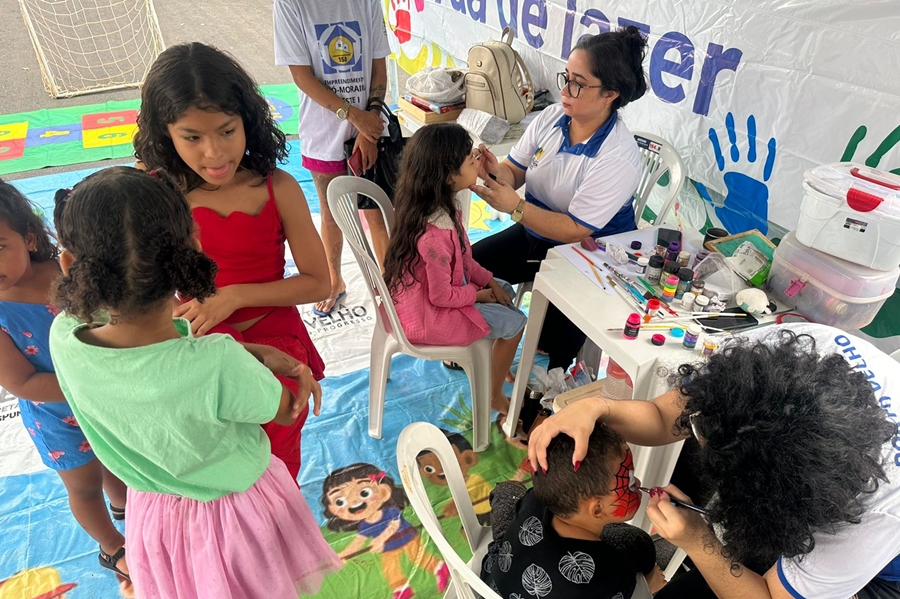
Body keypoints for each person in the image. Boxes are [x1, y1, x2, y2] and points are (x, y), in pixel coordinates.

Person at [49, 167, 341, 598]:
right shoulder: (216, 361)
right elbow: (285, 406)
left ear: (70, 263)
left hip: (153, 515)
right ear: (195, 248)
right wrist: (295, 372)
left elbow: (154, 365)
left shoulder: (65, 338)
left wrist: (251, 352)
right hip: (239, 518)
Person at [527, 323, 900, 599]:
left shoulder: (874, 520)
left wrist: (698, 541)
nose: (694, 441)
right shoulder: (786, 358)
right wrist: (598, 406)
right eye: (698, 426)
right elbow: (661, 418)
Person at [133, 42, 330, 479]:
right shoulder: (157, 198)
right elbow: (143, 287)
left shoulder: (277, 187)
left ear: (248, 122)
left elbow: (319, 283)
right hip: (197, 343)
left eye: (226, 131)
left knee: (276, 462)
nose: (214, 153)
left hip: (279, 339)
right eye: (192, 137)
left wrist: (233, 297)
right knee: (216, 465)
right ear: (165, 133)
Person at [470, 26, 648, 370]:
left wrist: (517, 207)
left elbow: (574, 230)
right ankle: (480, 345)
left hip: (588, 256)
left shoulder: (617, 157)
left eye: (578, 83)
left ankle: (544, 391)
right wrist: (494, 173)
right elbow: (516, 169)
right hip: (538, 233)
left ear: (610, 94)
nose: (564, 90)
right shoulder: (554, 117)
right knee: (468, 268)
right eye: (565, 77)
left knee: (552, 343)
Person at [0, 179, 130, 583]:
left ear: (31, 239)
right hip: (58, 418)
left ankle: (125, 503)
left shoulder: (70, 271)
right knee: (85, 485)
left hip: (106, 398)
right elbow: (22, 384)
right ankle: (113, 547)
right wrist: (90, 386)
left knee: (117, 461)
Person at [383, 123, 527, 415]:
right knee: (516, 324)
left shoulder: (443, 206)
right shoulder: (434, 233)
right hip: (429, 315)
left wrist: (489, 283)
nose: (477, 160)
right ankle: (493, 394)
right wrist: (479, 295)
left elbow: (464, 259)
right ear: (449, 175)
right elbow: (441, 296)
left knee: (507, 290)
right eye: (470, 158)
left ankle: (495, 365)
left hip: (436, 297)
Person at [273, 0, 393, 316]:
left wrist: (369, 127)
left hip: (369, 128)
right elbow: (302, 76)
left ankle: (390, 284)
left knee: (376, 212)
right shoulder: (291, 4)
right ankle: (334, 280)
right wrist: (355, 117)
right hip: (324, 134)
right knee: (331, 214)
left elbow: (379, 68)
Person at [482, 425, 665, 598]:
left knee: (508, 492)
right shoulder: (612, 571)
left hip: (490, 586)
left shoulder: (533, 499)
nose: (639, 484)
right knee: (638, 543)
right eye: (631, 482)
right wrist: (649, 581)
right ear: (598, 508)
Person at [321, 463, 450, 599]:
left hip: (407, 538)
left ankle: (440, 568)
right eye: (340, 501)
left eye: (364, 493)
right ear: (333, 509)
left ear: (383, 492)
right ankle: (402, 589)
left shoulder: (390, 511)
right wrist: (343, 555)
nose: (354, 502)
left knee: (419, 558)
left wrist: (381, 539)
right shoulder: (365, 525)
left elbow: (394, 525)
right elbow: (359, 541)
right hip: (389, 548)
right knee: (390, 568)